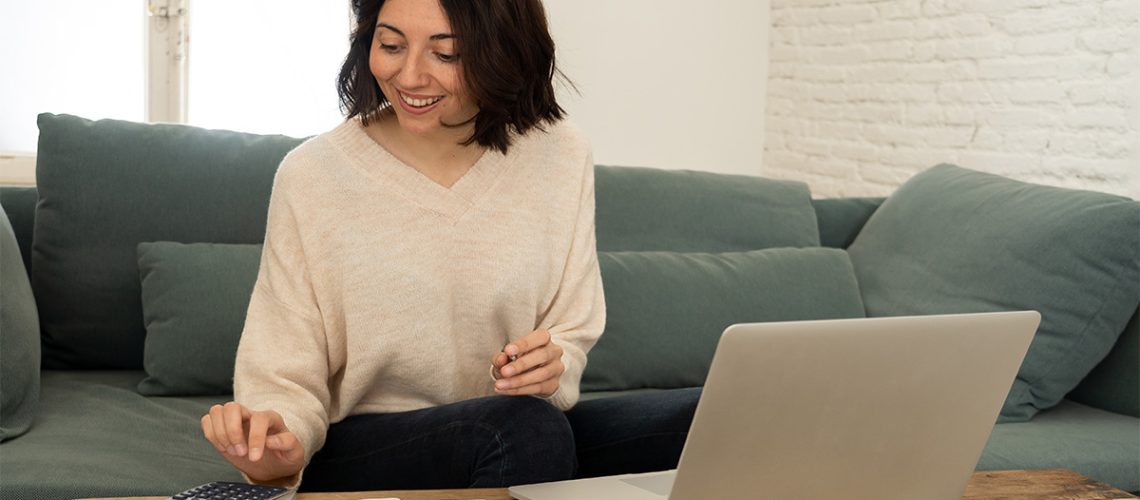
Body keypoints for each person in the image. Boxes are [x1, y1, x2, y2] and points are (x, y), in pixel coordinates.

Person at [199, 0, 701, 491]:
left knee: (712, 413)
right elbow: (281, 367)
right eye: (391, 44)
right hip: (372, 443)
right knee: (520, 430)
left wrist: (553, 367)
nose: (411, 76)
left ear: (501, 51)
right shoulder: (312, 176)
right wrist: (276, 444)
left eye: (447, 53)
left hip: (522, 427)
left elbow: (569, 327)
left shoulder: (560, 153)